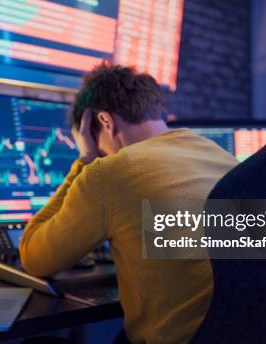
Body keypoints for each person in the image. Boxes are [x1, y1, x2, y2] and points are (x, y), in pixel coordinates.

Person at [19, 62, 238, 343]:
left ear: (104, 122)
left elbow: (33, 257)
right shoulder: (218, 155)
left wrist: (85, 161)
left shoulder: (108, 172)